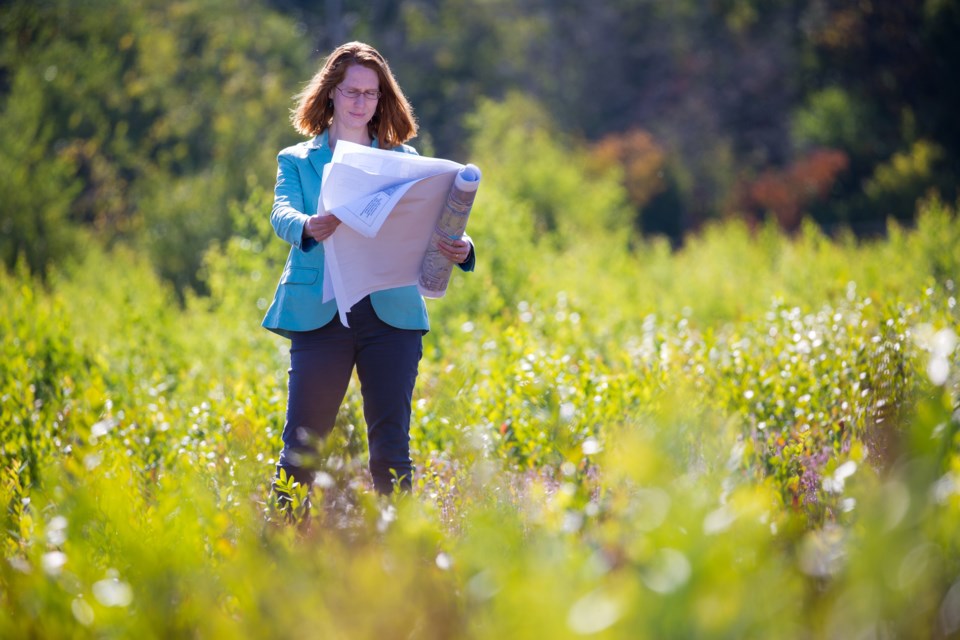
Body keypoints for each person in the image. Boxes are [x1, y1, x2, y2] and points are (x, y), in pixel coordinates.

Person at [261, 42, 476, 497]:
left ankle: (399, 555)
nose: (361, 102)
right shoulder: (296, 160)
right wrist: (307, 225)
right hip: (321, 312)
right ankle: (279, 548)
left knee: (391, 448)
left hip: (391, 314)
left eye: (370, 94)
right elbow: (281, 212)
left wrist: (463, 247)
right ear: (331, 93)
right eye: (351, 91)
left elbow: (436, 225)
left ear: (382, 99)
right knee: (302, 446)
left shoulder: (407, 163)